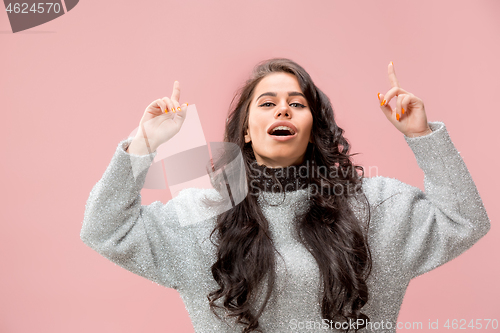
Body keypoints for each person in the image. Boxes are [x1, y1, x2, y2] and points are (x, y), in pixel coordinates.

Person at [80, 58, 490, 333]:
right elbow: (104, 229)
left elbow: (465, 220)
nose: (283, 110)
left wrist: (421, 136)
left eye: (297, 103)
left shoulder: (374, 205)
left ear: (314, 127)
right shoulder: (203, 210)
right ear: (245, 130)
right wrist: (143, 144)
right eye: (268, 103)